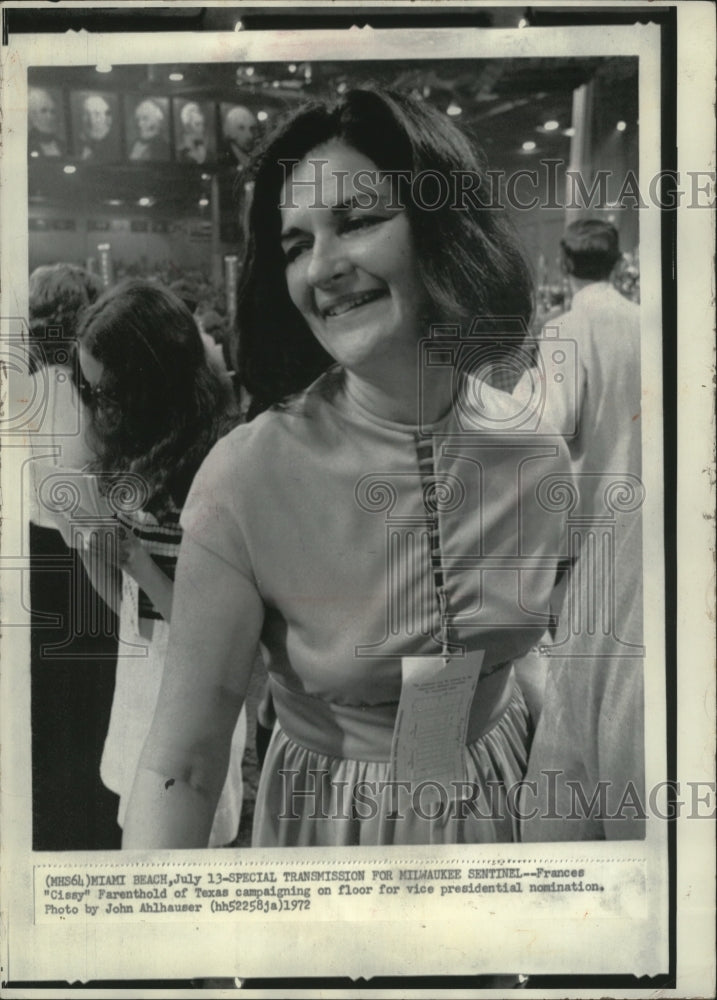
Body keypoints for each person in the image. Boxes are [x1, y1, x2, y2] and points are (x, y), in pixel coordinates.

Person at [122, 89, 571, 851]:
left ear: (442, 227)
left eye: (357, 221)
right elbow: (184, 764)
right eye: (296, 245)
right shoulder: (247, 477)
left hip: (502, 804)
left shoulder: (534, 449)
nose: (323, 267)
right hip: (332, 828)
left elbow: (529, 660)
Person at [76, 280, 247, 846]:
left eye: (108, 392)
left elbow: (210, 633)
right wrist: (96, 551)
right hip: (144, 676)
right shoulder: (140, 456)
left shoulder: (212, 474)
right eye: (92, 390)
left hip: (194, 692)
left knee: (188, 840)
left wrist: (134, 561)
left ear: (148, 385)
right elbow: (132, 615)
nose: (100, 407)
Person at [515, 220, 644, 840]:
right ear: (617, 264)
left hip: (586, 545)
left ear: (565, 265)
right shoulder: (649, 323)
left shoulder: (565, 331)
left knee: (574, 704)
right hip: (644, 530)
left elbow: (544, 430)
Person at [28, 87, 64, 158]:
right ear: (33, 115)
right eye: (43, 111)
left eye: (52, 112)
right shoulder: (26, 145)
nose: (50, 117)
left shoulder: (62, 145)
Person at [78, 94, 115, 162]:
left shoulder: (113, 146)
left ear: (106, 118)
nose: (91, 120)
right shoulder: (77, 144)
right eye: (87, 114)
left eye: (97, 114)